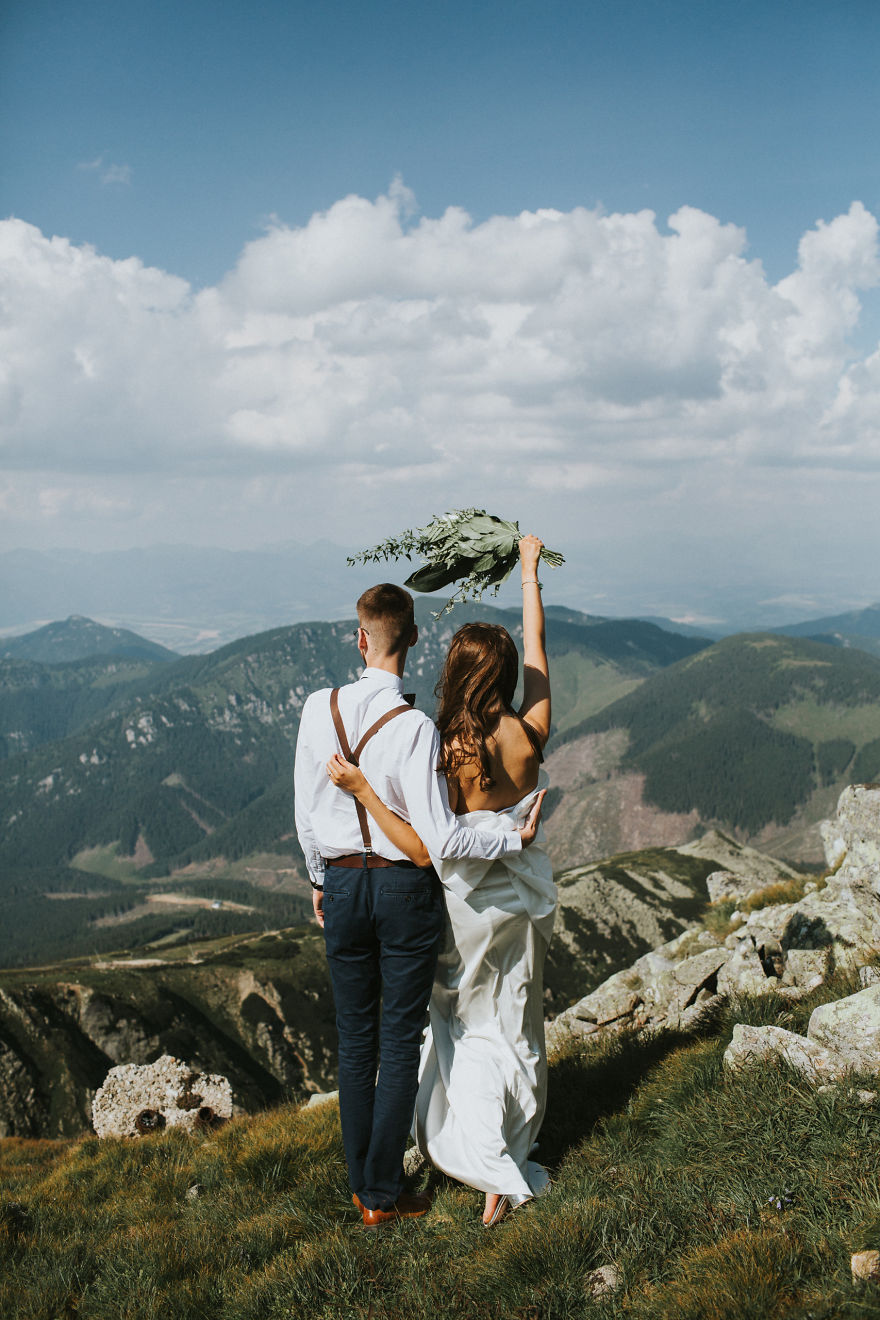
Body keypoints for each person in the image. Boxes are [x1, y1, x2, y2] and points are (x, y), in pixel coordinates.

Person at [293, 582, 544, 1230]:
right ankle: (383, 1191)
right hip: (404, 889)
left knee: (355, 1040)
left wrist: (320, 879)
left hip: (344, 884)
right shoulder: (415, 730)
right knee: (400, 1039)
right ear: (410, 640)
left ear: (360, 638)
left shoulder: (317, 708)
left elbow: (304, 810)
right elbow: (443, 840)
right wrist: (509, 835)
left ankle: (363, 1185)